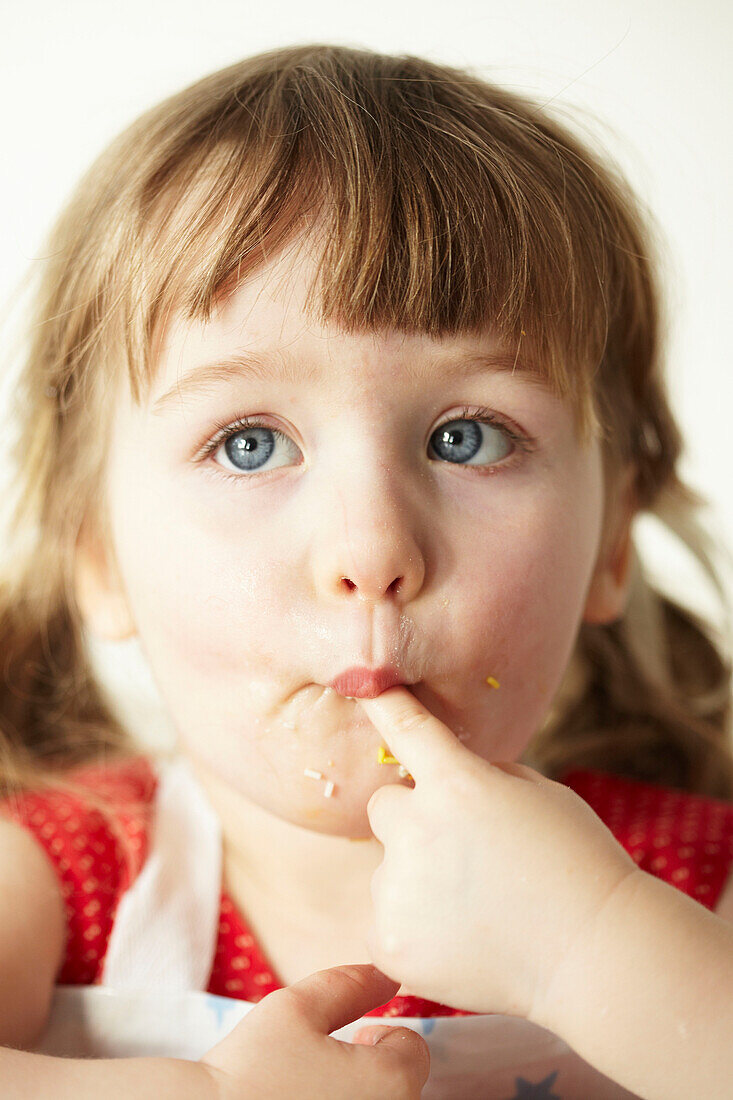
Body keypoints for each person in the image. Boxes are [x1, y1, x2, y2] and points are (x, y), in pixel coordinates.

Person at [0, 41, 731, 1100]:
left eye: (469, 437)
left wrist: (592, 945)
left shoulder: (688, 884)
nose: (372, 550)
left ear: (611, 539)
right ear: (98, 555)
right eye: (248, 442)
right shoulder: (68, 873)